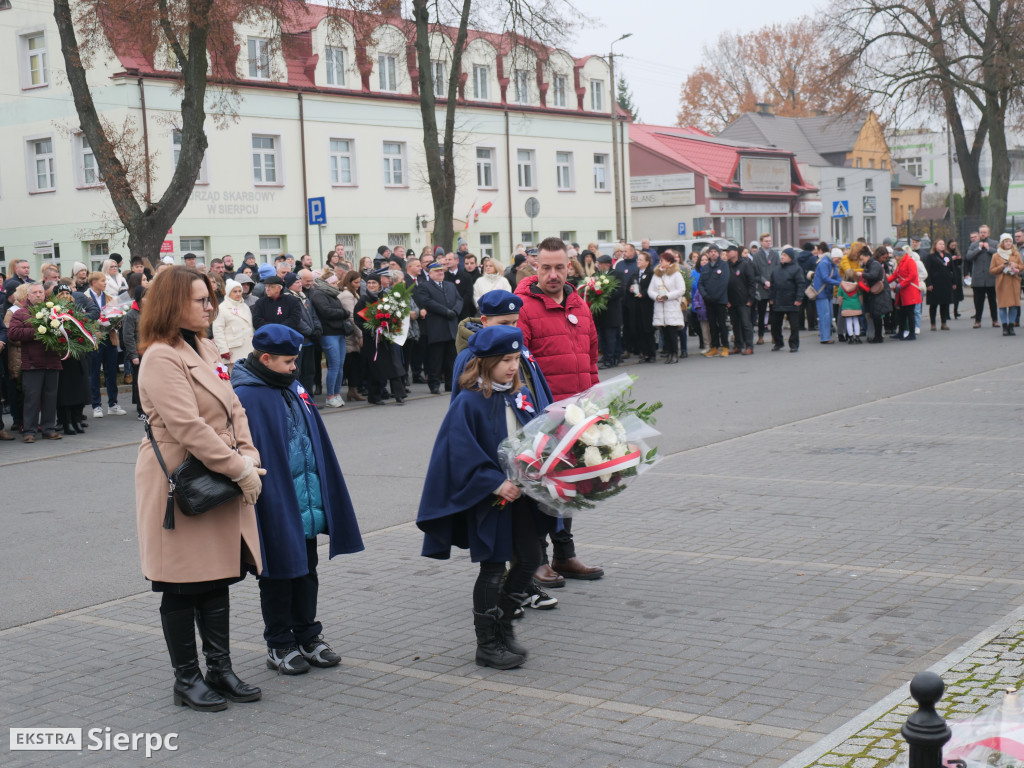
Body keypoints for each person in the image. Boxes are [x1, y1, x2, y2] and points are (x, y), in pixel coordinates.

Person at [134, 266, 266, 712]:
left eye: (210, 298)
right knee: (181, 581)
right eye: (201, 300)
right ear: (174, 305)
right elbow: (187, 426)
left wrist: (250, 458)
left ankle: (220, 669)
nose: (210, 306)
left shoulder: (204, 344)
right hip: (182, 478)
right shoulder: (160, 356)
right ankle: (186, 680)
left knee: (215, 575)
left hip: (218, 471)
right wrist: (238, 469)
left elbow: (234, 408)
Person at [231, 325, 363, 674]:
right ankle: (279, 642)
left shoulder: (292, 386)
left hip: (305, 500)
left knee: (306, 571)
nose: (294, 367)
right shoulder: (247, 396)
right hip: (274, 501)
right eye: (288, 361)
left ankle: (308, 635)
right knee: (277, 576)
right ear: (265, 358)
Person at [417, 326, 545, 670]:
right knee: (492, 566)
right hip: (491, 498)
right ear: (485, 362)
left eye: (516, 359)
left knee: (531, 558)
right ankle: (487, 643)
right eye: (505, 360)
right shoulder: (469, 401)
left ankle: (503, 626)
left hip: (522, 496)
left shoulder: (520, 396)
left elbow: (535, 439)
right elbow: (457, 451)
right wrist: (493, 482)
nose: (512, 366)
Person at [514, 236, 602, 585]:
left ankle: (564, 555)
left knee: (570, 485)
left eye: (559, 267)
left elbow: (590, 357)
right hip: (542, 418)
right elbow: (517, 368)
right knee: (540, 491)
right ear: (535, 266)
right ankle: (535, 560)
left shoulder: (578, 303)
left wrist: (594, 403)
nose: (553, 274)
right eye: (546, 267)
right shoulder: (522, 306)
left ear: (570, 266)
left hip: (577, 415)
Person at [7, 283, 63, 442]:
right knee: (32, 398)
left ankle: (48, 428)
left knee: (50, 397)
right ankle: (29, 431)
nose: (38, 295)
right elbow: (12, 333)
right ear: (28, 296)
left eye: (41, 292)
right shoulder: (21, 313)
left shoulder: (54, 311)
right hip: (32, 363)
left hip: (52, 361)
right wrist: (37, 331)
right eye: (35, 292)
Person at [355, 273, 406, 405]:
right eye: (369, 283)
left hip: (386, 338)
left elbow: (394, 314)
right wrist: (372, 327)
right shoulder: (363, 300)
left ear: (379, 284)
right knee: (374, 368)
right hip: (372, 340)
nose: (371, 285)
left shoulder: (386, 298)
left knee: (394, 366)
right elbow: (357, 320)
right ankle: (374, 396)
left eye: (374, 283)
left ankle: (399, 394)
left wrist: (390, 325)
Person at [415, 261, 462, 395]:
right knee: (435, 359)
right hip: (436, 327)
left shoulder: (450, 285)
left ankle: (450, 384)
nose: (440, 273)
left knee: (451, 358)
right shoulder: (424, 286)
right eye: (437, 271)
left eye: (441, 270)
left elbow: (459, 300)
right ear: (430, 274)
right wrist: (446, 311)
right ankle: (434, 384)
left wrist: (455, 311)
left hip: (451, 326)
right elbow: (428, 302)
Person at [85, 271, 126, 418]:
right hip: (94, 340)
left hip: (110, 337)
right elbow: (82, 319)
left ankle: (113, 404)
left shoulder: (109, 297)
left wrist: (117, 321)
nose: (105, 283)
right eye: (102, 281)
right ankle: (96, 405)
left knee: (111, 372)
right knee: (94, 372)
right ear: (94, 282)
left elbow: (117, 316)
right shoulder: (85, 297)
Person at [309, 271, 351, 408]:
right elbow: (326, 312)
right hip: (329, 334)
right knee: (334, 365)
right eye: (333, 283)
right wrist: (344, 313)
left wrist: (342, 313)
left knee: (340, 366)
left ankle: (337, 393)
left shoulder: (332, 295)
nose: (336, 285)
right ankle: (330, 396)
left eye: (336, 282)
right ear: (326, 283)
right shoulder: (319, 294)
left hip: (339, 333)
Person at [649, 251, 686, 364]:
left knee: (672, 333)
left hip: (672, 307)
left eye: (662, 261)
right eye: (660, 261)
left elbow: (681, 290)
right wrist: (656, 296)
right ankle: (669, 353)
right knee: (665, 333)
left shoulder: (676, 274)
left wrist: (667, 296)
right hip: (660, 308)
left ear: (669, 262)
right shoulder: (657, 274)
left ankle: (674, 353)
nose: (660, 263)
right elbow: (650, 290)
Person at [768, 248, 806, 352]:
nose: (782, 257)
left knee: (794, 326)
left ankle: (794, 344)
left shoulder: (797, 269)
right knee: (775, 325)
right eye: (782, 255)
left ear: (790, 257)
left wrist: (799, 298)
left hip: (792, 300)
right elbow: (773, 284)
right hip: (778, 300)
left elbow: (801, 284)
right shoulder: (776, 269)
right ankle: (778, 342)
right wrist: (771, 297)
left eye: (784, 255)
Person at [212, 279, 255, 368]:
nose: (238, 294)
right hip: (233, 351)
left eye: (240, 291)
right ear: (228, 293)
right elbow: (218, 330)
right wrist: (223, 349)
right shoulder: (222, 308)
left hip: (248, 349)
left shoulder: (245, 306)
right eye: (234, 291)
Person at [338, 271, 365, 403]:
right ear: (349, 282)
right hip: (350, 335)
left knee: (355, 364)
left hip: (353, 334)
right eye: (355, 282)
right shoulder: (347, 296)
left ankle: (353, 390)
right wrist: (360, 334)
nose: (358, 285)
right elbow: (352, 317)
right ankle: (351, 390)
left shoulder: (352, 294)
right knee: (351, 364)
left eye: (359, 282)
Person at [965, 224, 1000, 328]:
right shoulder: (974, 245)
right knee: (978, 301)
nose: (983, 234)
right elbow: (968, 257)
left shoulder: (994, 243)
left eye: (985, 232)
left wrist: (989, 249)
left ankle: (995, 320)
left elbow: (999, 255)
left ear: (988, 233)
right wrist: (979, 249)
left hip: (991, 278)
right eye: (981, 232)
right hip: (978, 278)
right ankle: (977, 321)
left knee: (992, 301)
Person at [121, 285, 147, 421]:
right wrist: (133, 355)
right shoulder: (131, 315)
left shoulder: (150, 312)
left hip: (150, 352)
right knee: (139, 382)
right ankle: (141, 409)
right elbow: (128, 337)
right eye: (145, 297)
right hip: (139, 353)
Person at [989, 233, 1024, 335]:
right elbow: (991, 270)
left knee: (1014, 305)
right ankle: (1004, 326)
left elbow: (1021, 266)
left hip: (1014, 282)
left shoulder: (1016, 254)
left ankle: (1011, 326)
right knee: (1003, 306)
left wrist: (1015, 265)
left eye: (1010, 241)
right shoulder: (996, 255)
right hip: (1002, 283)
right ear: (1002, 243)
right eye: (1006, 241)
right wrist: (1001, 266)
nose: (1008, 243)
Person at [699, 245, 730, 357]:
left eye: (715, 251)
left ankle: (725, 347)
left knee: (722, 325)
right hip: (709, 301)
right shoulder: (706, 267)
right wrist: (705, 296)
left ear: (718, 253)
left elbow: (724, 282)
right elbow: (701, 283)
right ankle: (715, 347)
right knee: (712, 325)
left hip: (720, 300)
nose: (713, 253)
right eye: (711, 252)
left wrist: (715, 297)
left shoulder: (724, 265)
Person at [594, 254, 624, 369]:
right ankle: (607, 356)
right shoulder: (596, 275)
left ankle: (611, 359)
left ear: (607, 265)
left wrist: (605, 296)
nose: (598, 266)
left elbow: (620, 291)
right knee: (602, 336)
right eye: (598, 264)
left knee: (611, 336)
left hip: (612, 311)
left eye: (600, 264)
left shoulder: (617, 275)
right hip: (600, 312)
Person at [725, 245, 756, 355]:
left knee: (746, 324)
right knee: (735, 324)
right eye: (726, 252)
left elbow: (752, 283)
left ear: (736, 252)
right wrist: (726, 300)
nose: (727, 253)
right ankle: (738, 345)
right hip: (731, 300)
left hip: (744, 300)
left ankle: (749, 346)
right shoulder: (726, 266)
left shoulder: (745, 265)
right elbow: (724, 284)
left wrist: (750, 299)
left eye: (729, 251)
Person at [859, 247, 893, 343]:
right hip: (879, 292)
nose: (884, 260)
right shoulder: (875, 264)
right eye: (883, 257)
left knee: (877, 315)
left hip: (879, 293)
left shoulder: (874, 264)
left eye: (863, 259)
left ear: (868, 256)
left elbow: (873, 275)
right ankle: (878, 336)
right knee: (876, 315)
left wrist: (861, 274)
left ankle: (878, 337)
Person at [888, 248, 920, 341]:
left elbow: (912, 275)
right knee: (902, 313)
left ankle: (912, 333)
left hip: (910, 291)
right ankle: (901, 332)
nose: (894, 257)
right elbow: (895, 276)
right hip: (904, 291)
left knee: (910, 313)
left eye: (895, 256)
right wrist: (885, 282)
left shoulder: (909, 261)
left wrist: (901, 284)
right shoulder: (901, 262)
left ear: (898, 255)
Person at [813, 248, 843, 344]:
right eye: (838, 258)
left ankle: (826, 336)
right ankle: (825, 338)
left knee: (829, 315)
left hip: (827, 292)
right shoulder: (824, 263)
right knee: (824, 315)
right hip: (821, 293)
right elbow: (826, 278)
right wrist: (840, 283)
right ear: (834, 256)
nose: (838, 261)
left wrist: (841, 281)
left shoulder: (832, 263)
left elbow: (837, 276)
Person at [751, 234, 777, 344]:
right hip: (761, 288)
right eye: (766, 241)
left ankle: (774, 336)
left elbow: (778, 269)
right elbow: (755, 273)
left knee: (774, 314)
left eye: (770, 241)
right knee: (761, 314)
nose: (768, 243)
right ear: (761, 242)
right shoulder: (756, 256)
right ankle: (760, 336)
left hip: (773, 287)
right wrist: (764, 281)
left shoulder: (775, 254)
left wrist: (772, 281)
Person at [923, 240, 954, 331]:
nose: (942, 246)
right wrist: (928, 283)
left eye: (943, 244)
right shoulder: (931, 257)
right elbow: (927, 271)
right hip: (935, 284)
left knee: (944, 304)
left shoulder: (948, 256)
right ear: (935, 245)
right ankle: (933, 323)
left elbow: (952, 269)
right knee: (933, 304)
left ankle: (943, 323)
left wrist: (954, 282)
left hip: (946, 283)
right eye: (940, 244)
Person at [633, 251, 656, 363]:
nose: (638, 261)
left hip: (647, 305)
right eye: (638, 259)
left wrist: (644, 293)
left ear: (647, 262)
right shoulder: (636, 273)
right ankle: (644, 353)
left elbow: (653, 287)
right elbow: (630, 285)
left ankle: (652, 353)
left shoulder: (651, 273)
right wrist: (631, 289)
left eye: (641, 259)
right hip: (637, 305)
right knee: (640, 330)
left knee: (648, 330)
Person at [837, 271, 863, 344]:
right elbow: (860, 296)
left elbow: (840, 297)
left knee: (848, 321)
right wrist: (861, 304)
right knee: (856, 321)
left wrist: (841, 305)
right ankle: (857, 337)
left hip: (846, 305)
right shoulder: (857, 285)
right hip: (856, 305)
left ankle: (851, 337)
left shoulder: (841, 286)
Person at [948, 239, 964, 319]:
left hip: (956, 274)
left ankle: (955, 311)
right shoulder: (947, 253)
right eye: (952, 245)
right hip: (949, 273)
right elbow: (945, 262)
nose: (954, 247)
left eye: (955, 245)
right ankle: (947, 313)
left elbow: (960, 263)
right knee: (949, 294)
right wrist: (951, 259)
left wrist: (959, 259)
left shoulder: (957, 251)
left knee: (957, 294)